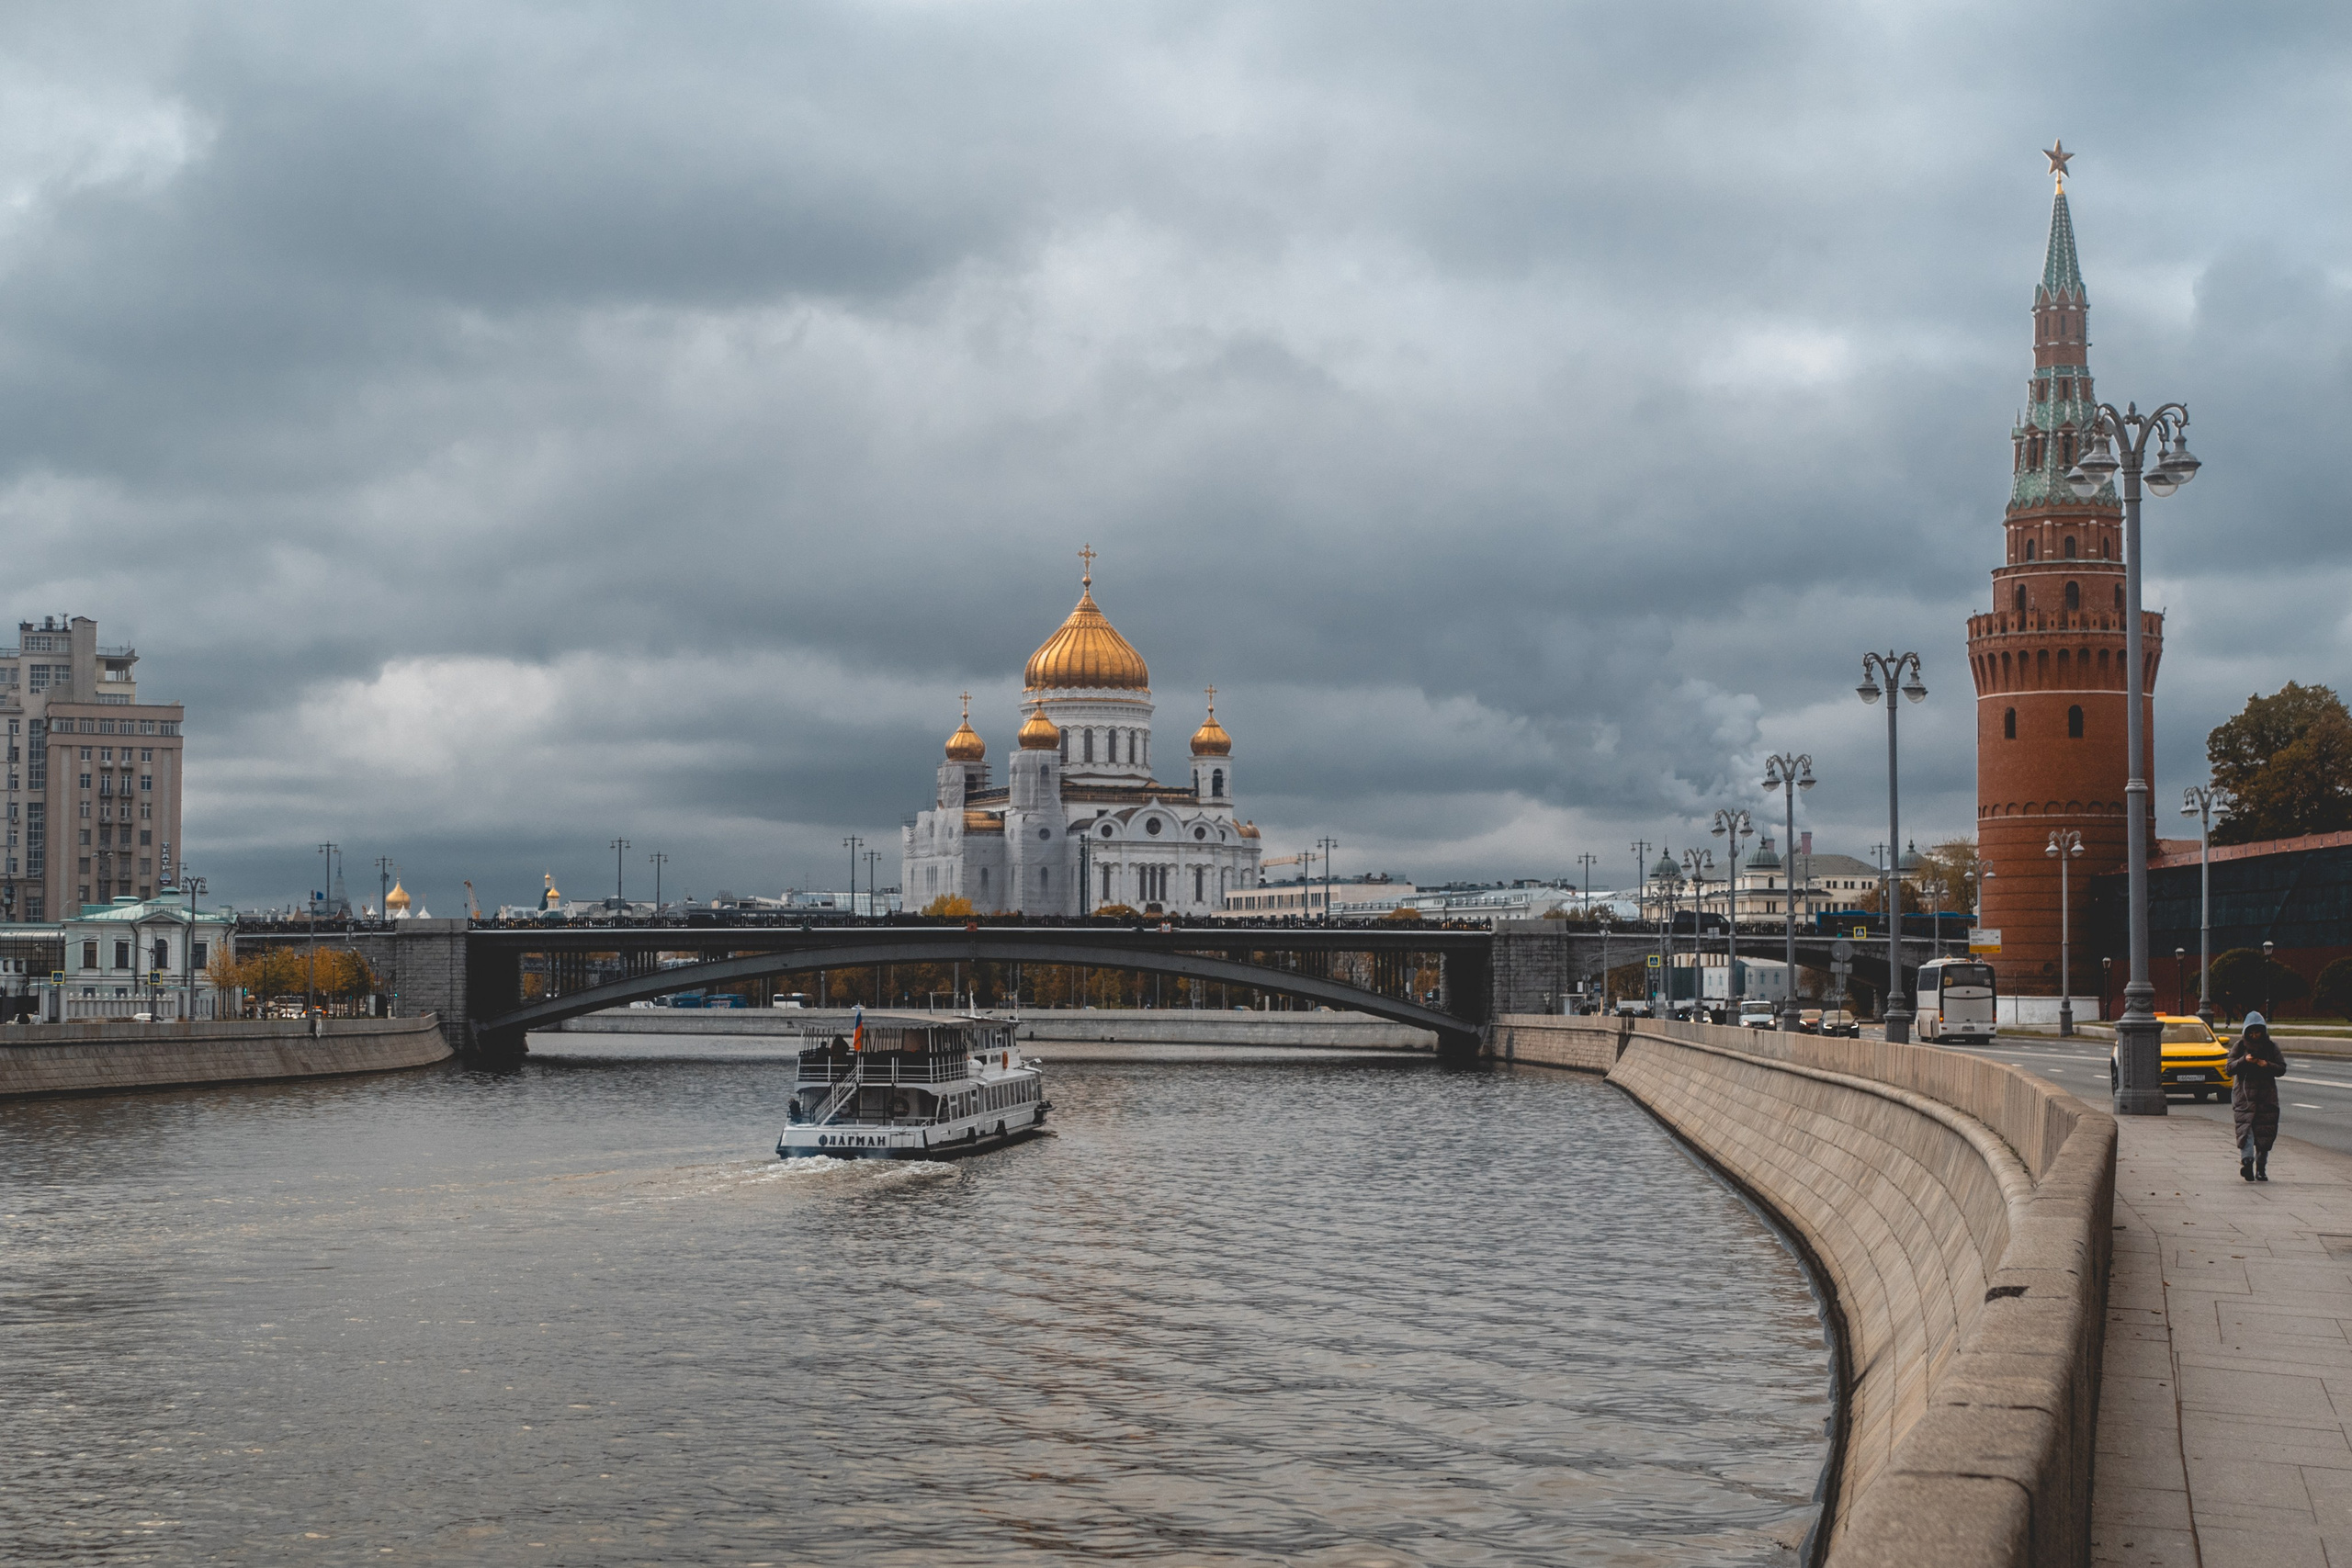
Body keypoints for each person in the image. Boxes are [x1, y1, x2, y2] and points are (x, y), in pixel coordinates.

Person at [2228, 1011, 2290, 1181]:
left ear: (2263, 1032)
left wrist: (2265, 1065)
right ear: (2246, 1033)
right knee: (2245, 1130)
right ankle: (2247, 1162)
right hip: (2245, 1096)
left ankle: (2261, 1168)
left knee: (2264, 1134)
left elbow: (2282, 1068)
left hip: (2266, 1097)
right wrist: (2244, 1061)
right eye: (2251, 1033)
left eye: (2258, 1032)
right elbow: (2229, 1068)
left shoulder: (2271, 1047)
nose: (2255, 1036)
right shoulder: (2240, 1047)